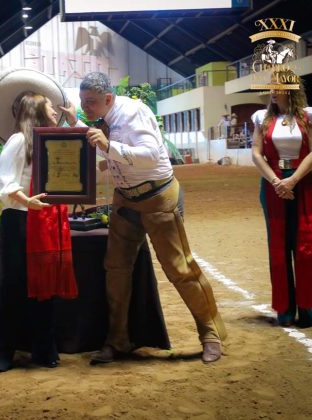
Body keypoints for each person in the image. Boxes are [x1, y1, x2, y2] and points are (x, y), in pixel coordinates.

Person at [61, 72, 227, 363]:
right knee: (115, 269)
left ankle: (211, 334)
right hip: (126, 199)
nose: (85, 107)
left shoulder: (133, 113)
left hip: (158, 198)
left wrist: (110, 149)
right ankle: (118, 339)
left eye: (90, 103)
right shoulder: (105, 117)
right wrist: (76, 124)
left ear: (108, 99)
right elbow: (101, 137)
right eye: (83, 102)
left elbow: (151, 154)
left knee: (180, 269)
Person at [0, 91, 78, 374]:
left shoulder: (51, 140)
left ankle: (43, 347)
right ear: (37, 110)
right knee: (15, 287)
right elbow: (4, 182)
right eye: (51, 108)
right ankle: (1, 353)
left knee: (46, 288)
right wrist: (28, 201)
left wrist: (74, 124)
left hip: (46, 219)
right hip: (21, 219)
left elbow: (78, 154)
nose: (55, 111)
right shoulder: (17, 141)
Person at [251, 70, 312, 328]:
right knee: (278, 248)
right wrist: (276, 181)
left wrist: (292, 180)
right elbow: (257, 154)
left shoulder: (308, 116)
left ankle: (306, 309)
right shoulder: (262, 119)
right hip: (273, 184)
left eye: (277, 85)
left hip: (302, 183)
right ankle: (285, 310)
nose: (272, 89)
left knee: (304, 247)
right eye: (271, 85)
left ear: (291, 88)